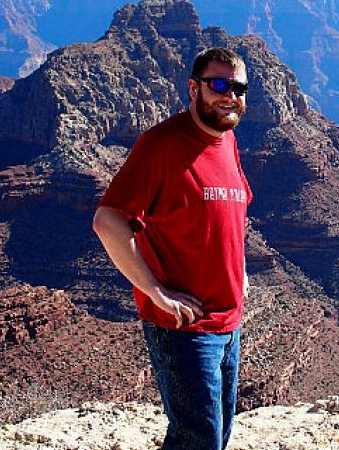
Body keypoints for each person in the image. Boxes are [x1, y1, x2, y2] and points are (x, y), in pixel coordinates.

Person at [92, 47, 252, 450]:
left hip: (228, 323)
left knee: (213, 437)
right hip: (185, 329)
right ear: (193, 88)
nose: (229, 95)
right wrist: (154, 291)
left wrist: (241, 272)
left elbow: (228, 214)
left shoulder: (227, 142)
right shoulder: (161, 145)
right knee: (198, 441)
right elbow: (107, 220)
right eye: (218, 85)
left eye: (239, 87)